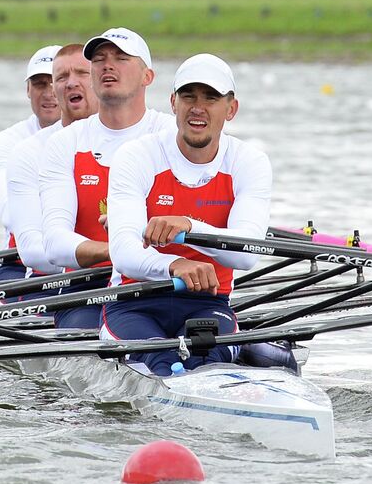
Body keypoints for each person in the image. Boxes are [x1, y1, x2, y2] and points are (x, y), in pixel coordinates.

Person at [103, 53, 276, 376]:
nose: (198, 107)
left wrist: (190, 227)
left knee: (208, 364)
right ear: (173, 102)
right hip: (132, 301)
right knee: (162, 363)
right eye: (188, 96)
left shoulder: (248, 162)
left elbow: (248, 254)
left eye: (211, 98)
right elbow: (124, 252)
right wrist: (175, 265)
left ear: (231, 109)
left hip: (209, 303)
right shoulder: (137, 156)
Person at [34, 28, 175, 329]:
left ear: (148, 76)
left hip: (167, 282)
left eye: (121, 58)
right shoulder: (65, 144)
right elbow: (56, 244)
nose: (108, 65)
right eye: (98, 59)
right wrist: (124, 249)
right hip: (87, 289)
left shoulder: (172, 135)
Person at [1, 44, 96, 279]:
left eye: (81, 74)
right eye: (62, 77)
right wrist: (116, 255)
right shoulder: (21, 147)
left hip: (120, 271)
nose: (71, 83)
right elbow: (27, 242)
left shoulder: (137, 140)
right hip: (49, 275)